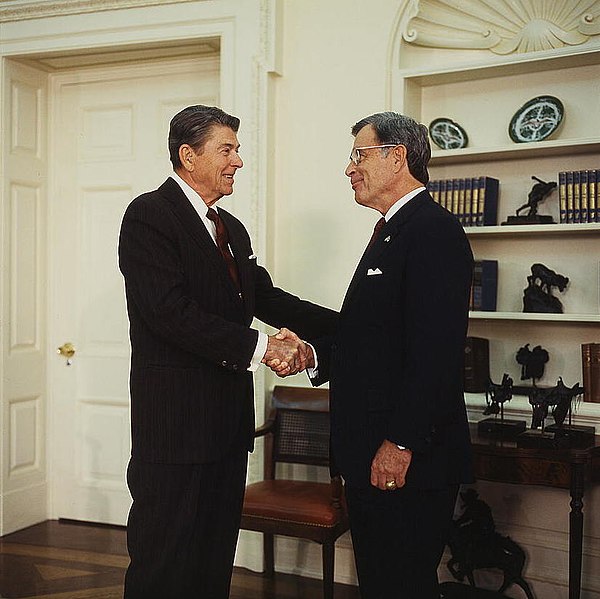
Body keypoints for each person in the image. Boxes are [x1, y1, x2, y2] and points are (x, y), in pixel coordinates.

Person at [118, 105, 337, 599]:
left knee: (213, 561)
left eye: (237, 149)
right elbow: (169, 313)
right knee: (164, 564)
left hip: (226, 428)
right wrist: (265, 348)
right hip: (173, 432)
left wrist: (356, 327)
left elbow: (271, 300)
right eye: (228, 149)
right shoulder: (149, 215)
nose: (239, 160)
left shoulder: (232, 228)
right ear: (188, 155)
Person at [300, 112, 474, 599]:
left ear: (398, 156)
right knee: (380, 582)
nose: (350, 168)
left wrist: (400, 443)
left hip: (406, 457)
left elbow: (435, 353)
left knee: (402, 585)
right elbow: (370, 340)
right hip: (372, 452)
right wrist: (313, 356)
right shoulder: (391, 231)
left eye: (359, 154)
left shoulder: (432, 230)